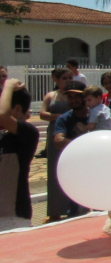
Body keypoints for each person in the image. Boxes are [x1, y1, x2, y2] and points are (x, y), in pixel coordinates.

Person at [50, 81, 92, 218]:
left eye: (77, 96)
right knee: (76, 212)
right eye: (70, 97)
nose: (73, 100)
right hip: (76, 171)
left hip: (97, 168)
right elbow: (58, 140)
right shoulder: (64, 119)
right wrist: (83, 145)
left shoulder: (97, 114)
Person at [0, 79, 40, 222]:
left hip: (13, 215)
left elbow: (3, 116)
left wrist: (8, 85)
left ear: (16, 109)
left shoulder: (28, 132)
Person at [39, 68, 74, 222]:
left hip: (71, 133)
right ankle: (55, 211)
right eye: (64, 78)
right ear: (57, 80)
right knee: (54, 171)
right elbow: (42, 113)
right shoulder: (50, 96)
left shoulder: (74, 96)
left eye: (69, 78)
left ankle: (74, 208)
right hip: (54, 133)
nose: (67, 81)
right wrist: (59, 117)